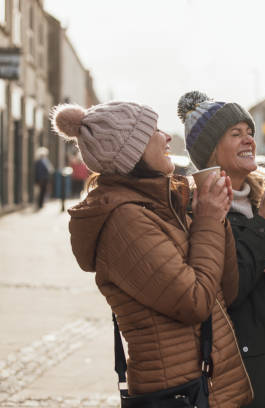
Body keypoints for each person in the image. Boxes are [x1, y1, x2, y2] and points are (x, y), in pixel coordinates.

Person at [51, 101, 253, 407]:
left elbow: (225, 291)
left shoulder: (163, 203)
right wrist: (208, 220)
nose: (167, 137)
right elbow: (195, 302)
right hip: (179, 392)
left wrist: (215, 216)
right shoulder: (124, 221)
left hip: (212, 387)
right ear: (131, 150)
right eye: (154, 130)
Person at [177, 91, 265, 408]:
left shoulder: (262, 199)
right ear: (210, 151)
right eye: (235, 134)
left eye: (249, 133)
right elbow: (226, 290)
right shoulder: (199, 210)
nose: (248, 140)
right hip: (243, 371)